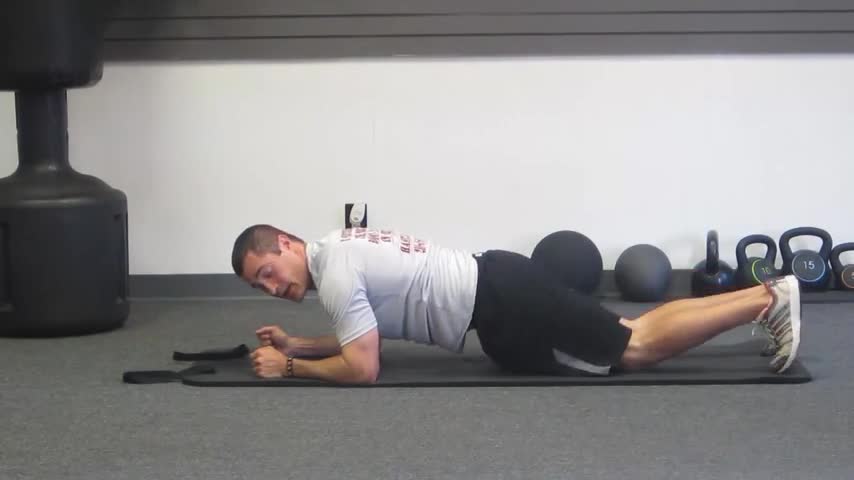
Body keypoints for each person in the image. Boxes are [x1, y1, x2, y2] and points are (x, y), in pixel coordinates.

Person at [231, 225, 801, 384]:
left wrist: (290, 367)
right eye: (260, 287)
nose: (272, 288)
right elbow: (362, 336)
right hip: (498, 291)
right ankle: (765, 295)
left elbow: (363, 368)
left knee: (635, 348)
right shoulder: (335, 249)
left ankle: (768, 298)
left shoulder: (334, 271)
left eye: (268, 273)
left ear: (285, 243)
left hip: (505, 303)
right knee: (628, 331)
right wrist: (299, 343)